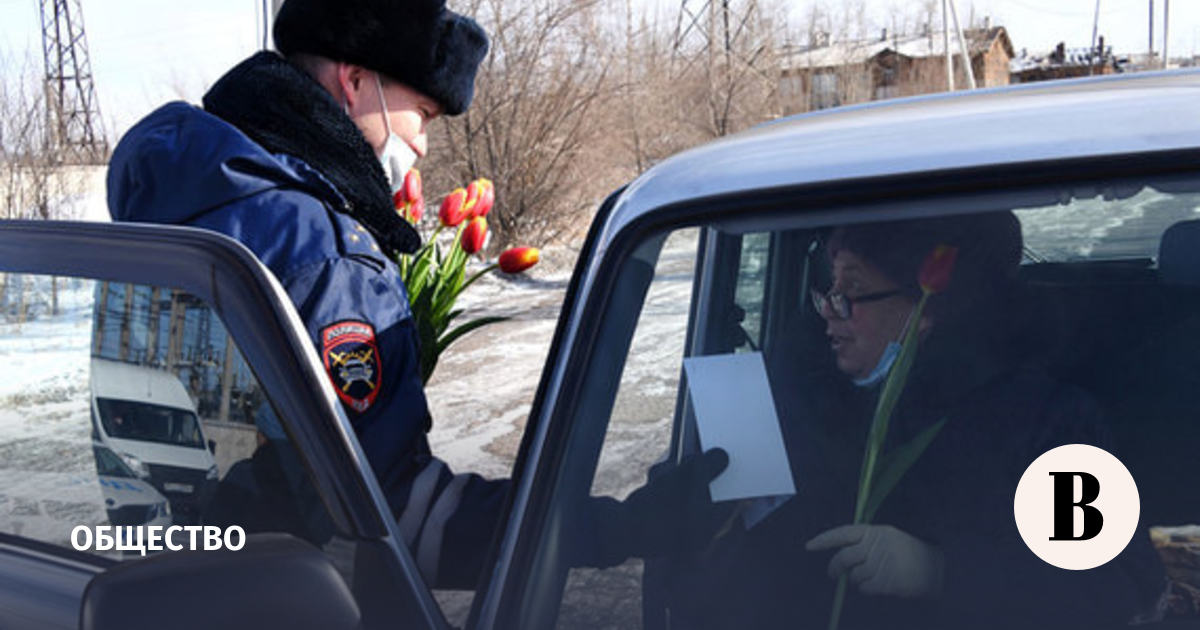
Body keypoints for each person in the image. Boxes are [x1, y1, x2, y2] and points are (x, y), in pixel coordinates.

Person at [106, 0, 727, 590]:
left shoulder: (181, 205)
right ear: (354, 82)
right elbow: (397, 516)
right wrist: (618, 526)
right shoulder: (326, 255)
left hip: (174, 584)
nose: (424, 144)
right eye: (422, 116)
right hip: (290, 596)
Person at [650, 212, 1160, 628]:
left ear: (933, 309)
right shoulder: (782, 407)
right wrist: (702, 538)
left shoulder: (1047, 423)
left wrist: (941, 572)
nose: (828, 310)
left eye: (852, 291)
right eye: (828, 288)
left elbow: (1116, 585)